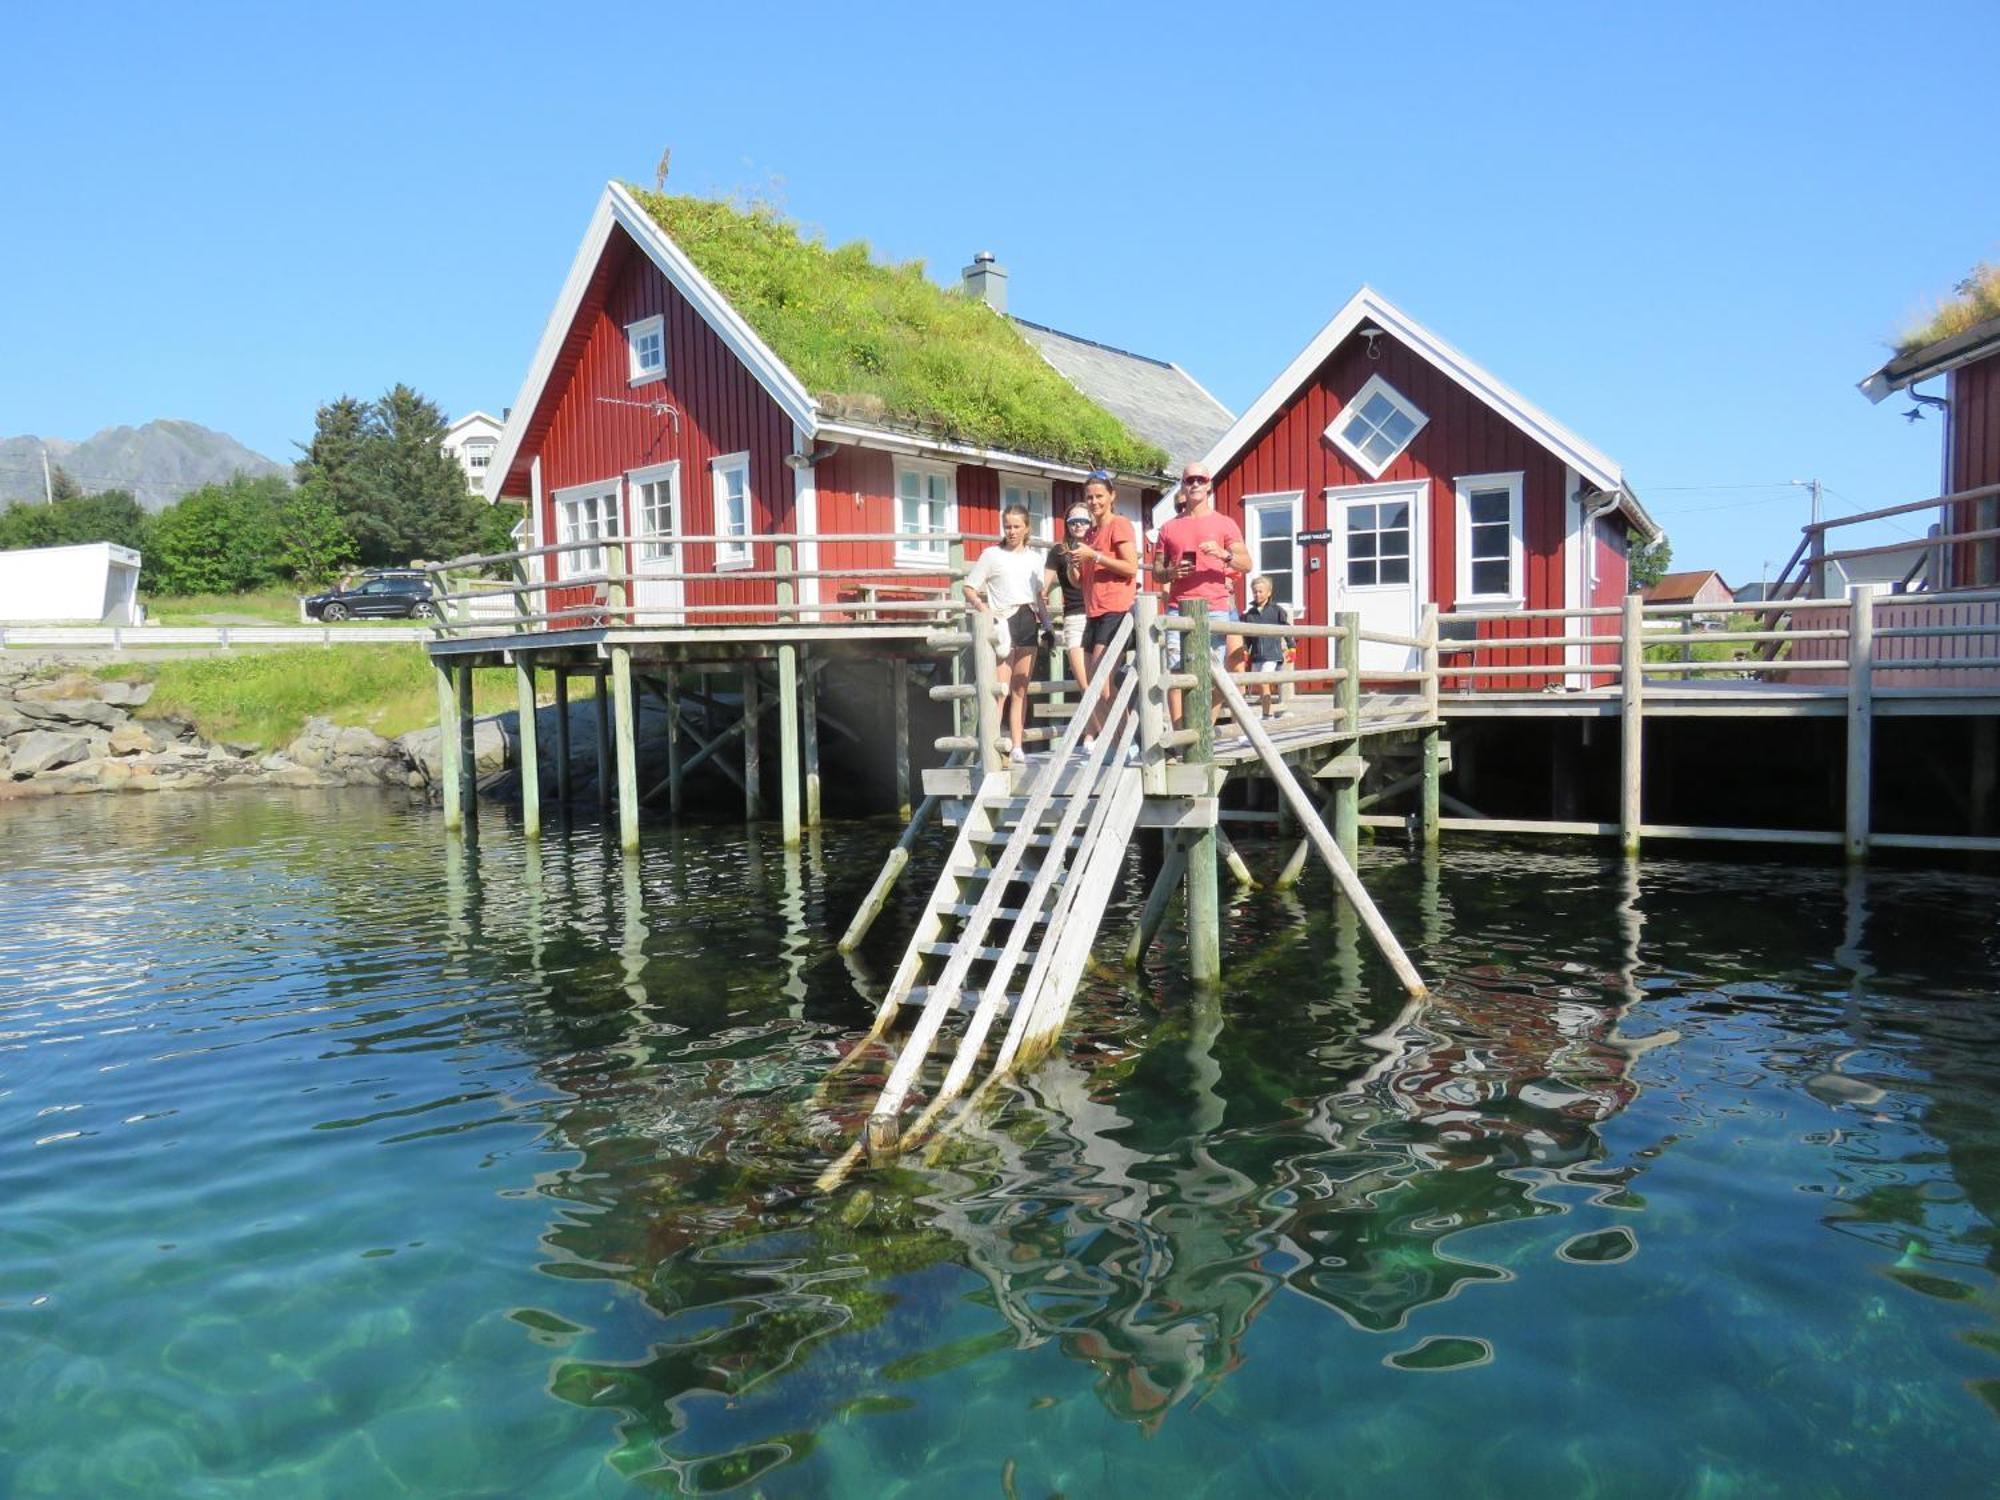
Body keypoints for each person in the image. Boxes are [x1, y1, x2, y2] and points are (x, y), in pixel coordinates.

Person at [1153, 465, 1251, 727]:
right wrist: (1173, 571)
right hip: (1178, 606)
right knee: (1176, 671)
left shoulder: (1225, 523)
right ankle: (1179, 734)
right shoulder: (1168, 528)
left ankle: (1204, 730)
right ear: (1183, 485)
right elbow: (1157, 572)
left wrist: (1224, 554)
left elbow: (1247, 563)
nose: (1195, 484)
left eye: (1200, 479)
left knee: (1212, 673)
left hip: (1215, 606)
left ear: (1209, 485)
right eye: (1190, 480)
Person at [961, 504, 1052, 766]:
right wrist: (983, 608)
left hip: (1029, 621)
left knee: (1020, 690)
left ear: (1026, 528)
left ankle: (1016, 746)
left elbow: (1039, 597)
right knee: (999, 689)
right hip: (1004, 622)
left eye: (1016, 526)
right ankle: (989, 748)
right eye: (1007, 526)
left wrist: (1047, 626)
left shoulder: (1036, 559)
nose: (1011, 531)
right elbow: (969, 587)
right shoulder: (992, 555)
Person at [1071, 470, 1140, 746]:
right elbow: (1080, 583)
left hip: (1115, 610)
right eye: (1089, 497)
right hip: (1093, 612)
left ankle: (1127, 744)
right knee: (1093, 689)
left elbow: (1131, 568)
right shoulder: (1090, 534)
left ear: (1111, 496)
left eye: (1099, 496)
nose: (1094, 501)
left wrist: (1095, 555)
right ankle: (1114, 744)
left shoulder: (1119, 524)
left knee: (1103, 684)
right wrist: (1074, 566)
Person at [1044, 501, 1093, 692]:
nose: (1078, 525)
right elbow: (1043, 587)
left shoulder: (1099, 547)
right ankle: (1093, 723)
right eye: (1073, 521)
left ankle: (1119, 723)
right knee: (1085, 686)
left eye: (1083, 520)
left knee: (1105, 686)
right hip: (1075, 616)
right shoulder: (1058, 552)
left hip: (1101, 616)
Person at [1240, 574, 1292, 719]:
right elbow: (1248, 637)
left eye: (1260, 591)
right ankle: (1264, 712)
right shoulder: (1249, 614)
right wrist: (1245, 650)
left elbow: (1286, 629)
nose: (1257, 594)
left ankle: (1267, 714)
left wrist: (1291, 647)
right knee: (1258, 683)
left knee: (1264, 682)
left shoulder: (1277, 611)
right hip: (1256, 655)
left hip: (1272, 654)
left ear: (1269, 592)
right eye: (1255, 591)